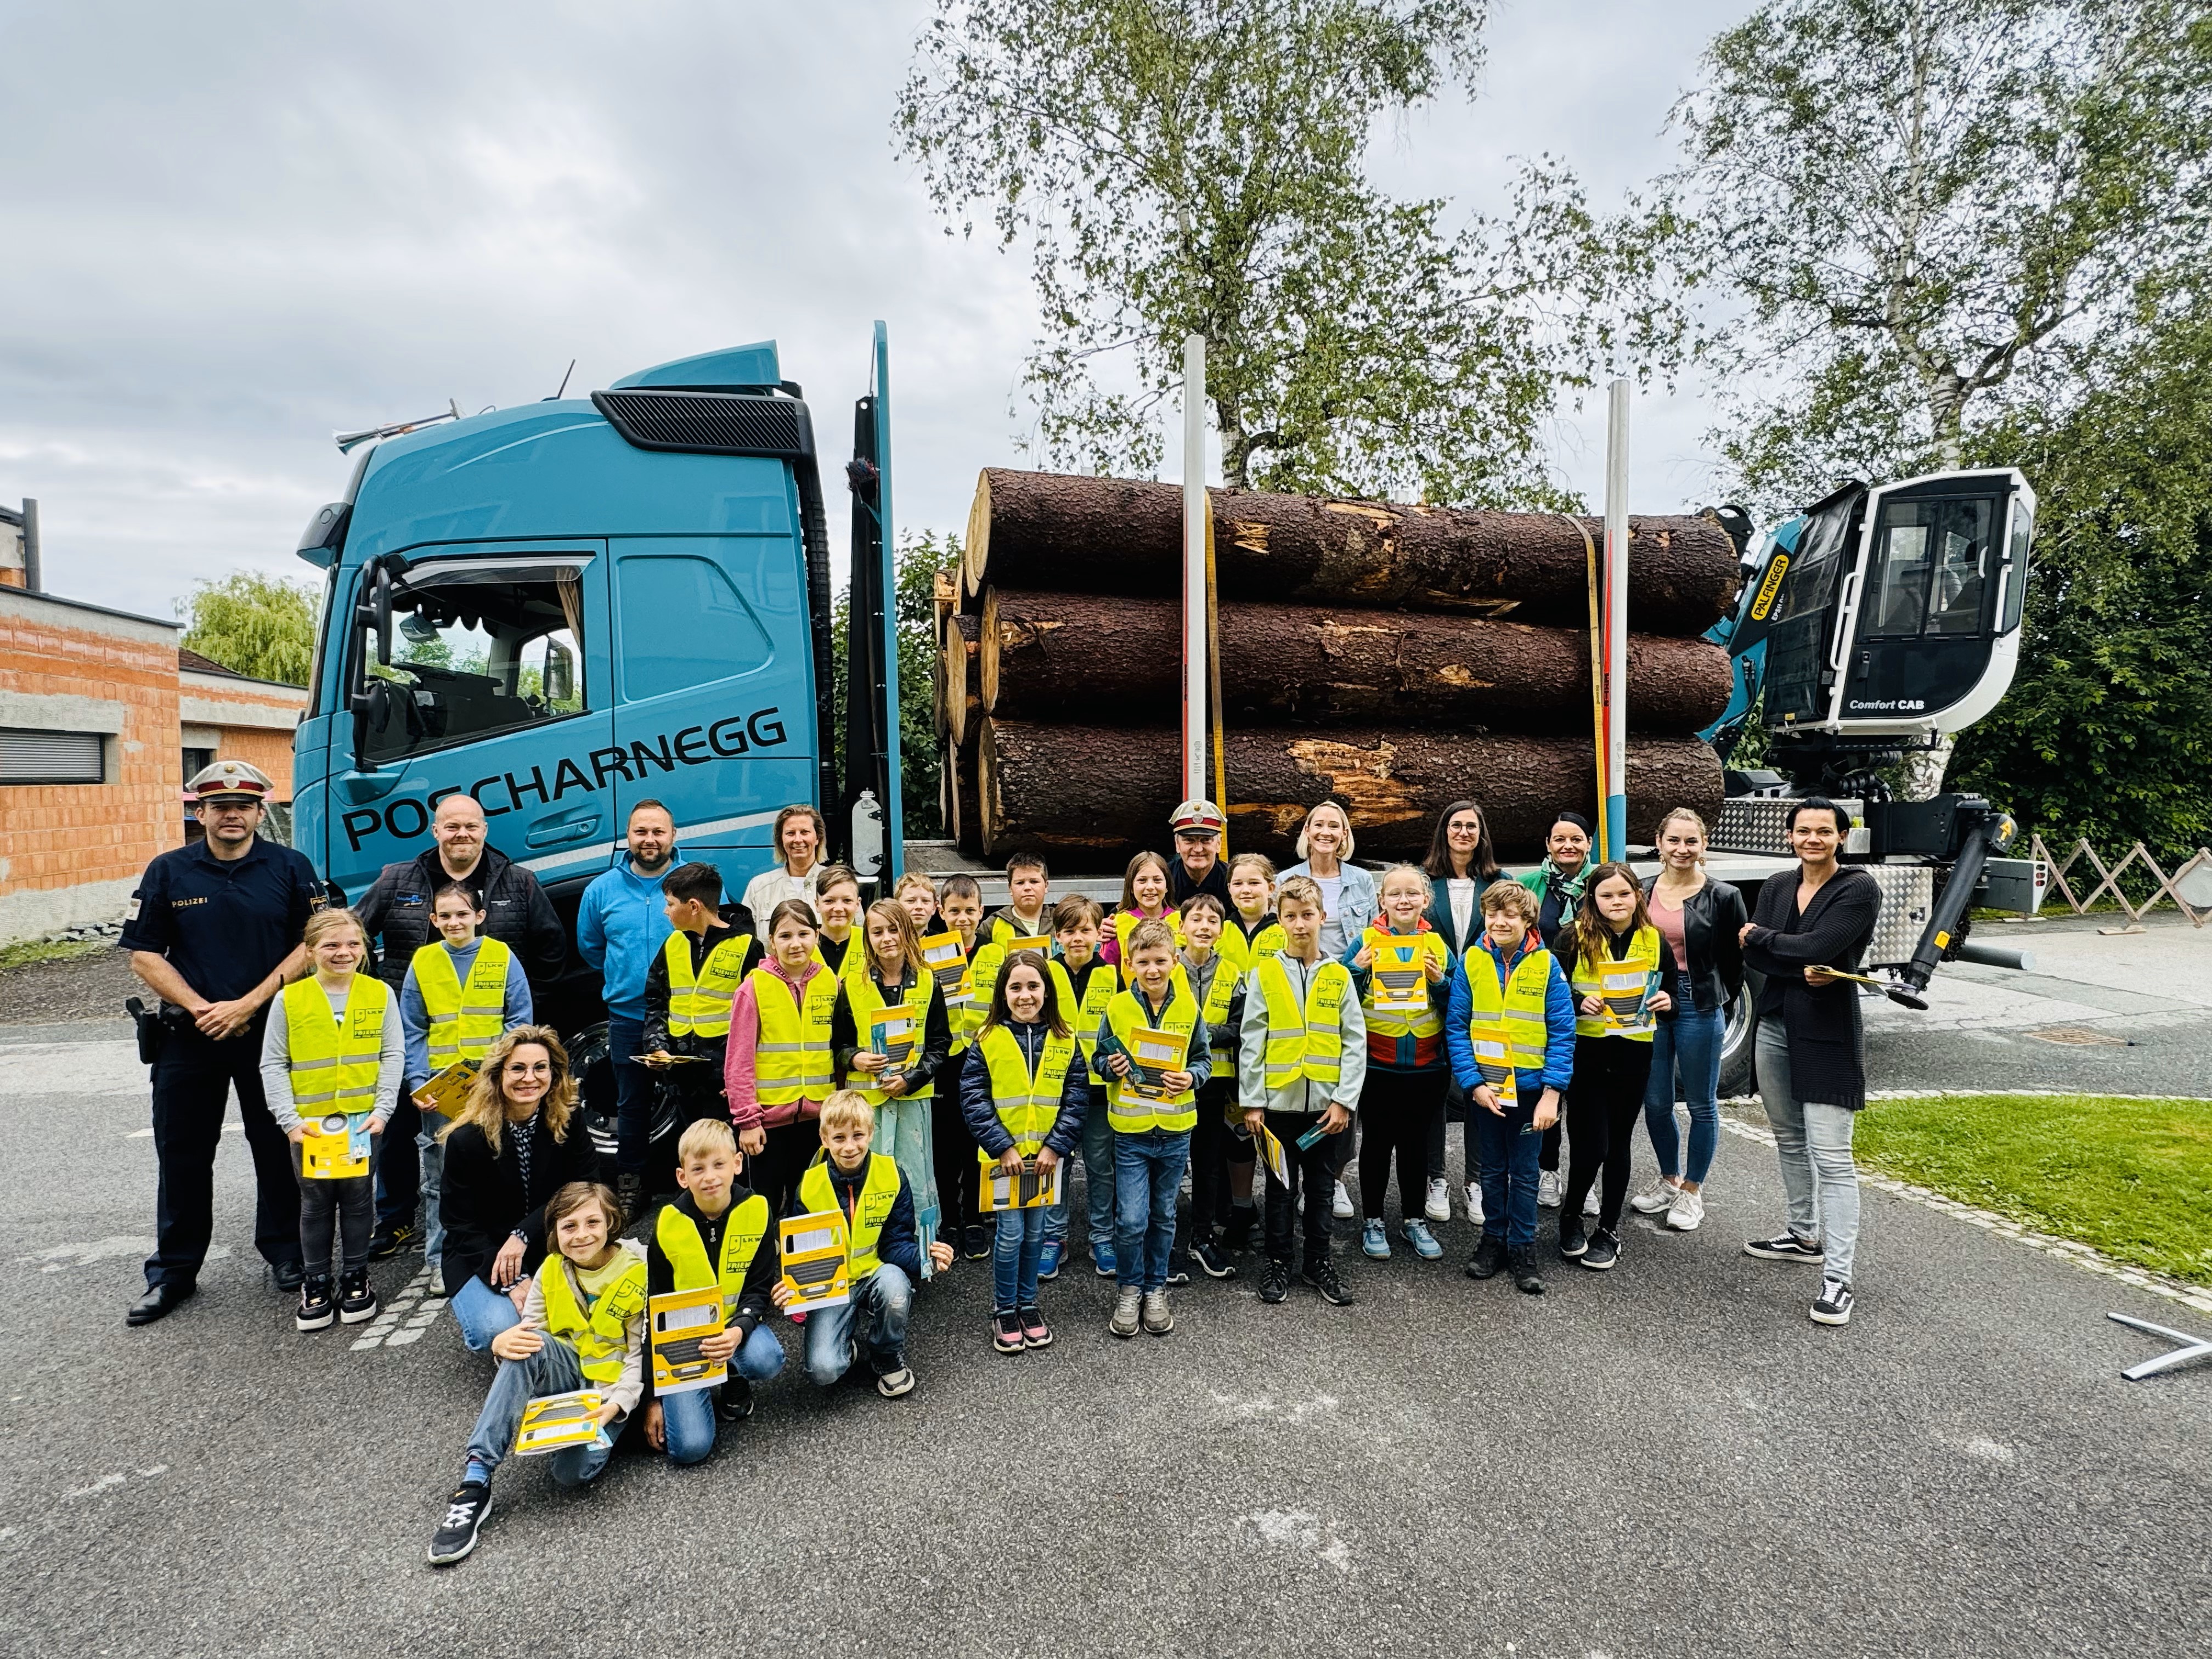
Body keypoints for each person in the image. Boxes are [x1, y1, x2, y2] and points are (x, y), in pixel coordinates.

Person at [121, 759, 325, 1326]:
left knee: (277, 1146)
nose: (231, 815)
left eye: (242, 806)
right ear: (200, 812)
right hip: (189, 1036)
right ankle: (174, 1273)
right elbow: (143, 954)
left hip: (270, 1033)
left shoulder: (290, 867)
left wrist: (248, 1004)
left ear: (260, 812)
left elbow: (312, 945)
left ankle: (286, 1253)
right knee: (182, 1155)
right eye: (219, 806)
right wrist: (200, 1007)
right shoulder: (169, 870)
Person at [355, 793, 566, 1260]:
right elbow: (356, 933)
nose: (462, 834)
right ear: (436, 831)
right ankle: (396, 1222)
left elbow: (551, 947)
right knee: (411, 1143)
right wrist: (373, 999)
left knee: (493, 1155)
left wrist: (523, 1039)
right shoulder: (397, 879)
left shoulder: (518, 882)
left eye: (471, 826)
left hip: (493, 1067)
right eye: (452, 826)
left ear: (485, 831)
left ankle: (498, 1247)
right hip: (424, 1056)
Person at [425, 1181, 646, 1566]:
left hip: (613, 1390)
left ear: (611, 1222)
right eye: (569, 1226)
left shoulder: (638, 1270)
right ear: (554, 1233)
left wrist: (619, 1405)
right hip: (570, 1374)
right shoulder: (551, 1270)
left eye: (592, 1222)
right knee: (524, 1343)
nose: (581, 1235)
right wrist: (501, 1345)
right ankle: (475, 1480)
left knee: (570, 1474)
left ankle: (621, 1428)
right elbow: (530, 1338)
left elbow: (639, 1354)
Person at [1739, 797, 1881, 1328]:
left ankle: (1838, 1279)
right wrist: (1784, 952)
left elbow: (1817, 946)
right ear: (1790, 835)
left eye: (1824, 831)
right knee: (1789, 1138)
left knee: (1833, 1158)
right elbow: (1756, 957)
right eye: (1803, 831)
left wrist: (1764, 939)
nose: (1813, 839)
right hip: (1775, 1022)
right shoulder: (1778, 885)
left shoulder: (1857, 888)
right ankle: (1803, 1236)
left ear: (1842, 837)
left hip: (1827, 1033)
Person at [263, 907, 404, 1331]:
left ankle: (356, 1277)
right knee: (316, 1203)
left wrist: (383, 1110)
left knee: (359, 1200)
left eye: (353, 944)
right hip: (310, 1126)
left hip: (363, 1122)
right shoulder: (290, 999)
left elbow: (392, 1054)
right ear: (309, 952)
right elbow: (273, 1063)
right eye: (331, 945)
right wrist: (289, 1120)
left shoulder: (379, 994)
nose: (343, 952)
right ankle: (317, 1282)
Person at [1239, 876, 1365, 1307]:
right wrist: (1252, 1101)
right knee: (1280, 1190)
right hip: (1278, 1106)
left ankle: (1317, 1261)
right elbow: (1252, 1039)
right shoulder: (1265, 973)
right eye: (1290, 916)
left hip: (1326, 1110)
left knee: (1322, 1189)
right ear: (1279, 920)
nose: (1299, 924)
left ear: (1322, 917)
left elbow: (1355, 1042)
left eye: (1307, 915)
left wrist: (1344, 1101)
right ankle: (1278, 1261)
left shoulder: (1339, 976)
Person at [780, 1091, 955, 1395]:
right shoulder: (809, 1186)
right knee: (823, 1371)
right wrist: (792, 1286)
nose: (850, 1147)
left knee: (895, 1287)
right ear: (824, 1139)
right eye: (839, 1138)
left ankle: (886, 1353)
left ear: (871, 1134)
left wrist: (926, 1258)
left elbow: (896, 1244)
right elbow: (802, 1254)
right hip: (832, 1285)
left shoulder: (892, 1176)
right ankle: (845, 1343)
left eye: (858, 1135)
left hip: (876, 1272)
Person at [399, 884, 533, 1280]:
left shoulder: (501, 956)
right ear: (433, 920)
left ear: (480, 916)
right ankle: (440, 1261)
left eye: (462, 914)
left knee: (501, 1170)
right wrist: (418, 1083)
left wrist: (501, 1073)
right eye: (445, 916)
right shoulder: (423, 961)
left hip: (493, 1085)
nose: (454, 922)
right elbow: (412, 1028)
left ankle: (502, 1254)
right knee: (440, 1177)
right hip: (441, 1090)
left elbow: (519, 1020)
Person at [436, 1026, 599, 1350]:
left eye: (540, 1068)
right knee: (498, 1329)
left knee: (591, 1315)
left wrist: (523, 1234)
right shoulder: (466, 1139)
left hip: (547, 1242)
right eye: (518, 1068)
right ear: (498, 1075)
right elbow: (458, 1223)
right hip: (482, 1251)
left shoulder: (569, 1119)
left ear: (554, 1074)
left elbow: (586, 1187)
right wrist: (512, 1280)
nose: (530, 1078)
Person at [959, 950, 1090, 1353]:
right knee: (1011, 1235)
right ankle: (1004, 1309)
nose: (1025, 995)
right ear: (1003, 993)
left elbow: (1076, 1098)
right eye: (1015, 987)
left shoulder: (1066, 1040)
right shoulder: (987, 1039)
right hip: (1004, 1164)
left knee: (1036, 1234)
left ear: (1047, 991)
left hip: (1046, 1162)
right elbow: (974, 1098)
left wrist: (1056, 1146)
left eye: (1034, 986)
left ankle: (1029, 1305)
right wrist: (1002, 1147)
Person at [1447, 880, 1573, 1297]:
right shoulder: (1471, 961)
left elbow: (1562, 1032)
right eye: (1493, 914)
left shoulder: (1547, 966)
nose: (1500, 922)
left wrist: (1553, 1094)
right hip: (1486, 1090)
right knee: (1491, 1170)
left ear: (1528, 920)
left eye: (1510, 915)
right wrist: (1473, 1083)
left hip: (1532, 1093)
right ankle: (1493, 1240)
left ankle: (1522, 1247)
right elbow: (1457, 1027)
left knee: (1524, 1173)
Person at [640, 1118, 785, 1466]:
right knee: (690, 1449)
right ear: (682, 1176)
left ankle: (733, 1376)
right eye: (698, 1169)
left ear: (737, 1163)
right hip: (685, 1341)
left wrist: (739, 1331)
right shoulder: (668, 1224)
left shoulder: (757, 1209)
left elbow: (758, 1288)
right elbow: (654, 1309)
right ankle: (701, 1384)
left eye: (719, 1165)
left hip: (735, 1327)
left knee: (767, 1358)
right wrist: (653, 1396)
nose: (710, 1177)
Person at [1093, 918, 1210, 1337]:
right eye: (1143, 962)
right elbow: (1098, 1060)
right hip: (1132, 1133)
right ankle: (1130, 1288)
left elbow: (1203, 1060)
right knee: (1130, 1220)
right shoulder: (1117, 1007)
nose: (1153, 969)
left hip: (1176, 1131)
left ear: (1175, 960)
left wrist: (1191, 1077)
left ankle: (1155, 1288)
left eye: (1160, 961)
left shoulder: (1189, 1008)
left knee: (1163, 1215)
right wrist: (1111, 1066)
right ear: (1129, 964)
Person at [1554, 865, 1674, 1271]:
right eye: (1606, 895)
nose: (1616, 902)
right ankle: (1571, 1216)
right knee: (1591, 1145)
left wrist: (1668, 1002)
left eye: (1624, 894)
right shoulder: (1572, 938)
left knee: (1619, 1143)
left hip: (1633, 1056)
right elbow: (1553, 992)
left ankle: (1608, 1230)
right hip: (1586, 1054)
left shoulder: (1654, 939)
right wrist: (1577, 1001)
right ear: (1592, 899)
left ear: (1638, 895)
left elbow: (1672, 991)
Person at [1632, 809, 1746, 1233]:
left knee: (1700, 1103)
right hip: (1651, 1001)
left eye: (1691, 841)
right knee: (1656, 1101)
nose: (1682, 849)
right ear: (1659, 843)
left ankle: (1693, 1190)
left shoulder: (1724, 896)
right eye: (1674, 841)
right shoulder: (1642, 891)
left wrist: (1716, 1000)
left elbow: (1734, 964)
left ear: (1703, 845)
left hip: (1697, 1001)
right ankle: (1669, 1179)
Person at [831, 899, 951, 1273]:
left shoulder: (929, 981)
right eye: (877, 931)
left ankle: (920, 1257)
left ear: (907, 932)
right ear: (867, 937)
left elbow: (940, 1044)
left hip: (912, 1100)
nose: (886, 938)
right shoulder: (852, 985)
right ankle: (869, 1259)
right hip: (867, 1107)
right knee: (871, 1178)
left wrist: (912, 1078)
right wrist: (855, 1058)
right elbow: (838, 1044)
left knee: (915, 1177)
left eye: (893, 929)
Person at [577, 800, 682, 1222]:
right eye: (641, 832)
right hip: (628, 1017)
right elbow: (591, 948)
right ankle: (632, 1185)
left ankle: (696, 1183)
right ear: (628, 836)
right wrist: (627, 976)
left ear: (673, 836)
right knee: (632, 1105)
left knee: (692, 1103)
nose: (649, 840)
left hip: (686, 1016)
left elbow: (718, 936)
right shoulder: (601, 890)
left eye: (658, 832)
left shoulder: (696, 882)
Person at [639, 862, 763, 1212]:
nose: (666, 912)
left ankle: (741, 1218)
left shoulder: (747, 947)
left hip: (724, 1082)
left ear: (693, 906)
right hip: (682, 1076)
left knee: (729, 1160)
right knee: (696, 1157)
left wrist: (742, 1081)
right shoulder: (672, 945)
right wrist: (656, 1047)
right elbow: (656, 1001)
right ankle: (701, 1218)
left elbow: (761, 1020)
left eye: (670, 904)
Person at [1343, 865, 1450, 1262]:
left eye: (1412, 894)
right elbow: (1339, 995)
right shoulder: (1364, 941)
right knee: (1375, 1144)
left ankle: (1414, 1219)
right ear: (1381, 900)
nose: (1403, 901)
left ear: (1426, 900)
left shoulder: (1437, 945)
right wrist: (1357, 970)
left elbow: (1459, 1001)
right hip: (1378, 1064)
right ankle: (1373, 1220)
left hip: (1426, 1065)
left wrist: (1440, 982)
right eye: (1395, 894)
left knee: (1415, 1145)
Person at [1280, 800, 1374, 1219]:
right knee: (1301, 1080)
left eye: (1334, 826)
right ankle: (1296, 1178)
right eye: (1318, 824)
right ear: (1307, 832)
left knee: (1342, 1082)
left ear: (1344, 835)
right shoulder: (1286, 880)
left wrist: (1351, 971)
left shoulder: (1361, 881)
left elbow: (1370, 936)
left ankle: (1332, 1178)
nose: (1326, 832)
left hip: (1346, 986)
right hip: (1298, 990)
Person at [725, 900, 838, 1222]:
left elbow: (838, 1050)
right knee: (763, 1207)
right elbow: (738, 1061)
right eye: (785, 936)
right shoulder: (754, 987)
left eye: (804, 934)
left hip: (818, 1121)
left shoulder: (831, 983)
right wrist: (748, 1121)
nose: (795, 944)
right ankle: (766, 1255)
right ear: (772, 941)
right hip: (767, 1123)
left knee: (809, 1209)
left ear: (817, 936)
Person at [1421, 799, 1503, 1228]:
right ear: (1444, 831)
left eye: (1472, 826)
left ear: (1481, 834)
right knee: (1436, 1092)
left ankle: (1477, 1179)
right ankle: (1436, 1177)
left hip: (1483, 1001)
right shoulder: (1425, 882)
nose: (1464, 833)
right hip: (1432, 998)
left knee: (1479, 1093)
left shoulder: (1499, 882)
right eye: (1456, 825)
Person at [1520, 810, 1596, 1209]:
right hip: (1542, 1004)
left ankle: (1585, 1182)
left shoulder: (1602, 884)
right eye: (1560, 839)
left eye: (1576, 839)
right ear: (1548, 845)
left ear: (1589, 844)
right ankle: (1547, 1171)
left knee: (1585, 1101)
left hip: (1595, 1007)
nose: (1568, 845)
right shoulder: (1530, 885)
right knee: (1546, 1092)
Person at [1209, 851, 1282, 1259]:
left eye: (1254, 883)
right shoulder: (1220, 930)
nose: (1246, 890)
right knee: (1237, 1134)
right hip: (1230, 1047)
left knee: (1273, 1134)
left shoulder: (1284, 929)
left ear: (1271, 888)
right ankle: (1241, 1208)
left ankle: (1280, 1208)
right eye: (1238, 883)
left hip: (1275, 1047)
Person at [1045, 894, 1118, 1279]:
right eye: (1070, 930)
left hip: (1099, 1090)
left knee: (1101, 1166)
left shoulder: (1112, 975)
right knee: (1056, 1163)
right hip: (1055, 1090)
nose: (1078, 938)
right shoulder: (1044, 973)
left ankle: (1102, 1236)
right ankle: (1054, 1237)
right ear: (1057, 935)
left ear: (1097, 934)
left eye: (1086, 930)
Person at [1176, 893, 1244, 1282]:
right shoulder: (1166, 969)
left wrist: (1200, 1035)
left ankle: (1202, 1237)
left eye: (1212, 921)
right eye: (1196, 919)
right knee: (1169, 1166)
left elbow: (1239, 1027)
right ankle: (1166, 1241)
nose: (1204, 927)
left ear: (1221, 930)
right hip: (1171, 1084)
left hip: (1215, 1084)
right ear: (1181, 927)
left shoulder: (1232, 973)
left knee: (1208, 1164)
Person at [932, 873, 988, 1257]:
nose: (962, 918)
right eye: (954, 911)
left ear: (981, 911)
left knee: (976, 1141)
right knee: (944, 1145)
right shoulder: (929, 952)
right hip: (944, 1060)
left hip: (983, 1060)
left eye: (969, 910)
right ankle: (949, 1218)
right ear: (941, 911)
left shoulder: (995, 952)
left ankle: (975, 1218)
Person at [738, 803, 827, 924]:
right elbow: (745, 933)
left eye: (804, 832)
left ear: (818, 838)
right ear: (781, 839)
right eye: (790, 833)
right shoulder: (759, 887)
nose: (798, 839)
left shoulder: (837, 884)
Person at [1100, 850, 1182, 969]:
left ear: (1167, 886)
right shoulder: (1117, 925)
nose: (1150, 887)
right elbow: (1107, 970)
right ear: (1131, 887)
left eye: (1157, 880)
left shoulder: (1183, 921)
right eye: (1142, 880)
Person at [1166, 798, 1232, 906]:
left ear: (1219, 843)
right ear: (1177, 844)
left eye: (1206, 840)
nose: (1198, 849)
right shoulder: (1163, 879)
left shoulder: (1233, 880)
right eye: (1189, 840)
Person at [983, 852, 1054, 947]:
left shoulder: (1062, 921)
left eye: (1034, 882)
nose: (1027, 888)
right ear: (1010, 888)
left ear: (1046, 886)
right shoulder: (992, 925)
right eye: (1020, 883)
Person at [811, 864, 868, 981]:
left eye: (847, 901)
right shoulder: (805, 943)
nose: (838, 908)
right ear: (817, 905)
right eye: (829, 901)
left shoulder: (870, 941)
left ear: (857, 904)